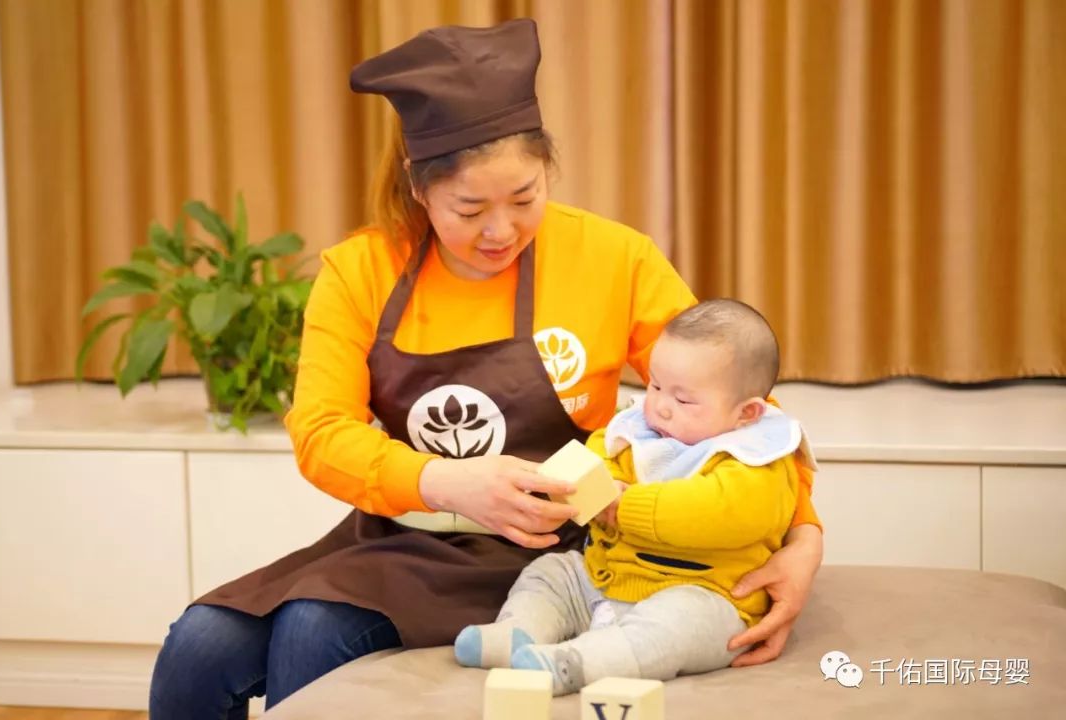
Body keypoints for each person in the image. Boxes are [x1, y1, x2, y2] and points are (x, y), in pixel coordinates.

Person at [148, 18, 823, 717]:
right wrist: (445, 480)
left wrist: (804, 537)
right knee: (197, 648)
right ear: (417, 185)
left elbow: (734, 408)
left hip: (552, 547)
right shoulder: (360, 271)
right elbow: (320, 433)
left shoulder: (615, 259)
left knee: (313, 631)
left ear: (547, 172)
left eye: (525, 198)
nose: (501, 231)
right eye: (469, 208)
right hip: (401, 532)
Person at [454, 299, 816, 695]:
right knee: (552, 574)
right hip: (605, 579)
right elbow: (599, 454)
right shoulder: (641, 428)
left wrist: (626, 506)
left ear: (746, 413)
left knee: (672, 627)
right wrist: (586, 485)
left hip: (704, 593)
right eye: (655, 385)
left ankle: (580, 661)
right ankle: (519, 631)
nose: (659, 406)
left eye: (683, 400)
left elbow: (718, 511)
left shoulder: (758, 459)